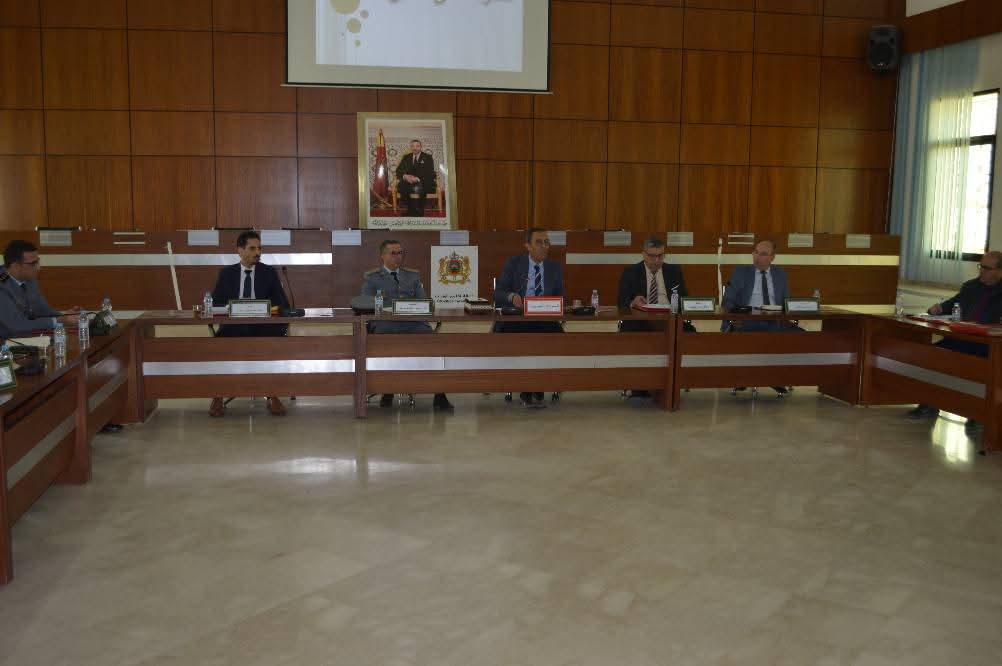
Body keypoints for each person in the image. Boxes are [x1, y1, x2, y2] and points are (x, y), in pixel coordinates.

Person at [908, 250, 1002, 420]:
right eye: (980, 266)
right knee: (930, 354)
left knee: (978, 368)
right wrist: (937, 309)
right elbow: (951, 304)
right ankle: (929, 404)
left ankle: (978, 414)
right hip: (961, 339)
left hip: (988, 346)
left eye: (986, 268)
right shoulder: (971, 287)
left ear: (999, 271)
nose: (981, 271)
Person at [360, 240, 453, 411]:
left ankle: (440, 394)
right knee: (384, 345)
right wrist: (387, 308)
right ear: (383, 256)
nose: (398, 257)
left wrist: (421, 306)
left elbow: (424, 302)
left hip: (413, 323)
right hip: (385, 325)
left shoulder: (412, 276)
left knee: (434, 344)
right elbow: (364, 303)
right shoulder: (372, 278)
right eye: (393, 253)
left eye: (400, 253)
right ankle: (387, 390)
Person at [208, 231, 291, 418]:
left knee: (272, 344)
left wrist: (267, 310)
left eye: (259, 248)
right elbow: (215, 304)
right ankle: (218, 396)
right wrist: (230, 308)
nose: (257, 253)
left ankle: (272, 394)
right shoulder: (226, 274)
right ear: (240, 250)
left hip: (263, 327)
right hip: (234, 327)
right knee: (218, 346)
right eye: (252, 248)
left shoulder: (268, 273)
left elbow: (282, 304)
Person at [493, 228, 565, 405]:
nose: (544, 246)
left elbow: (562, 296)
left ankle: (539, 384)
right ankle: (527, 386)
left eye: (546, 242)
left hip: (545, 319)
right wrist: (512, 297)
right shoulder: (514, 264)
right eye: (539, 242)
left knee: (560, 340)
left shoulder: (554, 267)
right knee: (524, 340)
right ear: (528, 246)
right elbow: (498, 293)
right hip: (517, 319)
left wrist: (557, 304)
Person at [617, 237, 688, 398]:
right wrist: (632, 301)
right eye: (652, 256)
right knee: (635, 336)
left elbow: (684, 299)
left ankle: (674, 381)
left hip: (669, 320)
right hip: (640, 320)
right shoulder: (631, 272)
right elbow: (621, 301)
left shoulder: (674, 271)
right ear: (643, 254)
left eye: (660, 256)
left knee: (689, 335)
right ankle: (639, 384)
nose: (656, 260)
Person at [722, 239, 794, 396]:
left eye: (763, 254)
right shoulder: (741, 272)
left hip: (774, 319)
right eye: (755, 252)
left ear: (772, 257)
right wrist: (734, 316)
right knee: (749, 336)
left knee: (791, 335)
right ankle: (744, 377)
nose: (757, 257)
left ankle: (774, 377)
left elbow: (787, 302)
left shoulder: (780, 274)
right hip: (746, 319)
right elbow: (728, 300)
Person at [0, 240, 80, 337]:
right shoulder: (2, 286)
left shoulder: (29, 279)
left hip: (28, 337)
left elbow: (43, 310)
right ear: (15, 266)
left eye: (38, 261)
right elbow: (17, 325)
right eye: (33, 263)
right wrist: (58, 320)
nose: (38, 267)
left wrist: (67, 317)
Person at [395, 139, 437, 217]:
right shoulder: (406, 157)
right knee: (402, 186)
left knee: (421, 187)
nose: (415, 148)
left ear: (421, 147)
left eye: (417, 146)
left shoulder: (427, 157)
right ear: (411, 147)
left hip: (422, 181)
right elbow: (398, 170)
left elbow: (430, 172)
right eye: (413, 146)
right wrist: (405, 176)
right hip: (408, 181)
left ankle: (420, 211)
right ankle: (410, 210)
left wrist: (417, 178)